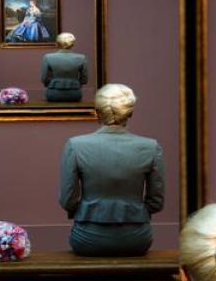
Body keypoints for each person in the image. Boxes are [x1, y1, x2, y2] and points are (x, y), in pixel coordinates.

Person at [58, 83, 164, 256]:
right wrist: (136, 212)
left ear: (97, 113)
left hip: (87, 237)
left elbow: (67, 200)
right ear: (130, 113)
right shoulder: (151, 147)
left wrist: (86, 211)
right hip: (136, 239)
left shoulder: (75, 145)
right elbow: (156, 201)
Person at [40, 31, 88, 102]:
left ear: (58, 43)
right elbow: (84, 80)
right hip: (75, 93)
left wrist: (52, 84)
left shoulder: (48, 57)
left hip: (53, 93)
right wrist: (76, 83)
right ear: (72, 44)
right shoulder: (81, 58)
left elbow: (44, 79)